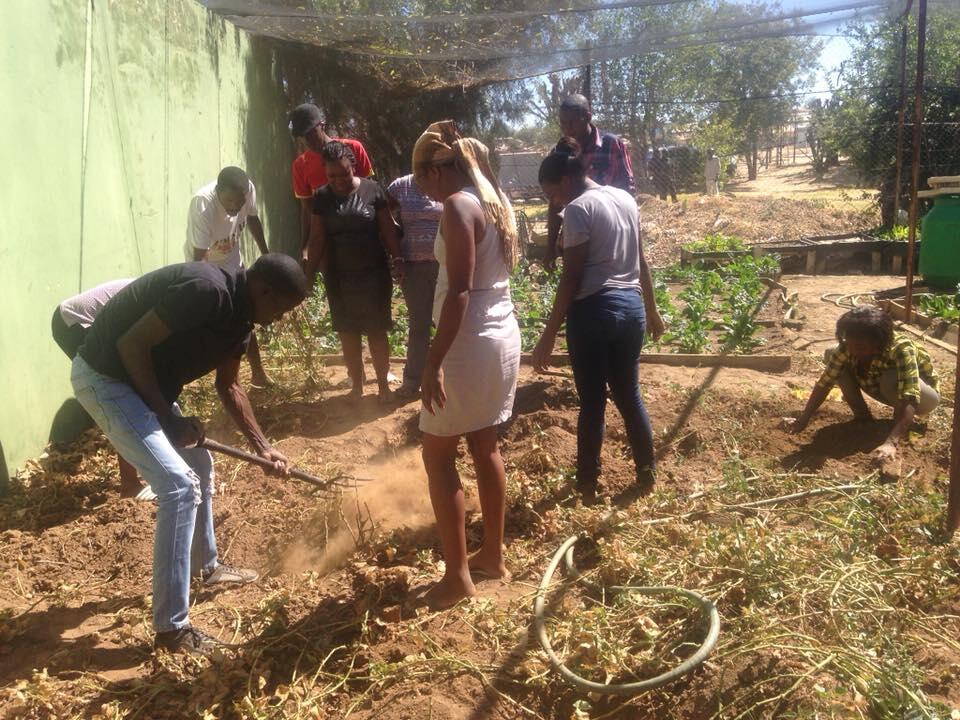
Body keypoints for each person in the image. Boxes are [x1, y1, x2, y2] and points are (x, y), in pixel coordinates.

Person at [71, 254, 309, 655]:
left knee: (198, 461)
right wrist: (167, 417)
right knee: (178, 486)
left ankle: (207, 567)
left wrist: (265, 448)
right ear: (264, 290)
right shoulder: (205, 290)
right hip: (107, 378)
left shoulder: (241, 321)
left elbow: (230, 387)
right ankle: (171, 630)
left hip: (143, 384)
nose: (282, 317)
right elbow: (130, 344)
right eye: (283, 307)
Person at [412, 120, 521, 610]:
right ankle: (492, 555)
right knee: (484, 444)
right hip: (500, 334)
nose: (418, 181)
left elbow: (457, 292)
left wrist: (432, 361)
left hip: (467, 343)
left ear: (442, 168)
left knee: (437, 456)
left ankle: (457, 577)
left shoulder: (459, 205)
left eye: (421, 169)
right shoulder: (496, 202)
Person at [532, 138, 665, 504]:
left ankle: (587, 484)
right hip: (631, 310)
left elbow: (571, 278)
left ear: (564, 181)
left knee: (592, 402)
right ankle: (646, 471)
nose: (552, 202)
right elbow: (642, 260)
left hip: (593, 313)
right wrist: (651, 309)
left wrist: (547, 336)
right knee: (629, 396)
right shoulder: (624, 198)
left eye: (551, 193)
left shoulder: (577, 209)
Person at [304, 141, 402, 402]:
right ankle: (356, 387)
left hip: (374, 275)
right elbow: (316, 239)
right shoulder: (322, 198)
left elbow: (387, 230)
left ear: (353, 167)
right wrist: (310, 274)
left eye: (344, 173)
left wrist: (399, 259)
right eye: (332, 175)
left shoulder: (373, 190)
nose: (338, 180)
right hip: (339, 277)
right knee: (348, 332)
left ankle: (383, 386)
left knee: (377, 330)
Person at [782, 305, 939, 466]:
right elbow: (825, 383)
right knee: (837, 363)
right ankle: (863, 418)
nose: (853, 350)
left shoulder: (901, 348)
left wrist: (891, 442)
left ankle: (895, 429)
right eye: (850, 344)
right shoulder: (848, 347)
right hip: (882, 388)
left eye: (861, 347)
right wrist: (803, 418)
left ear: (878, 343)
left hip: (923, 398)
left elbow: (910, 396)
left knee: (890, 378)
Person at [53, 279, 152, 500]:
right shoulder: (159, 301)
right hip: (72, 321)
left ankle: (139, 471)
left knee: (129, 391)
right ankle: (129, 484)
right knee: (124, 393)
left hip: (84, 322)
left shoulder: (162, 293)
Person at [186, 166, 272, 388]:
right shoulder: (202, 204)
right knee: (219, 321)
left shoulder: (247, 189)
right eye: (229, 201)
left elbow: (252, 219)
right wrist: (210, 292)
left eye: (239, 202)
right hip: (206, 268)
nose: (235, 207)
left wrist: (266, 255)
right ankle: (221, 381)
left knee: (246, 318)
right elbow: (200, 259)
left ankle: (258, 373)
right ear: (218, 192)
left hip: (233, 262)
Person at [545, 94, 635, 271]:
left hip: (609, 239)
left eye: (571, 122)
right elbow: (555, 203)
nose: (566, 128)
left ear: (587, 117)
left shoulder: (612, 145)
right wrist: (550, 247)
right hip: (576, 240)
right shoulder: (560, 152)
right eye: (562, 123)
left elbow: (628, 193)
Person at [289, 103, 374, 258]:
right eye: (301, 136)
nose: (307, 140)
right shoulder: (300, 166)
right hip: (328, 245)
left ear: (322, 125)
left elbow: (370, 194)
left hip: (362, 236)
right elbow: (308, 211)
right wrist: (305, 248)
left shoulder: (354, 148)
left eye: (310, 133)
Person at [386, 173, 444, 397]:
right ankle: (412, 381)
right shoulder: (401, 186)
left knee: (446, 323)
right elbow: (382, 214)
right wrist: (396, 243)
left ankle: (448, 376)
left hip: (445, 267)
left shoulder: (445, 182)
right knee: (419, 324)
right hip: (413, 268)